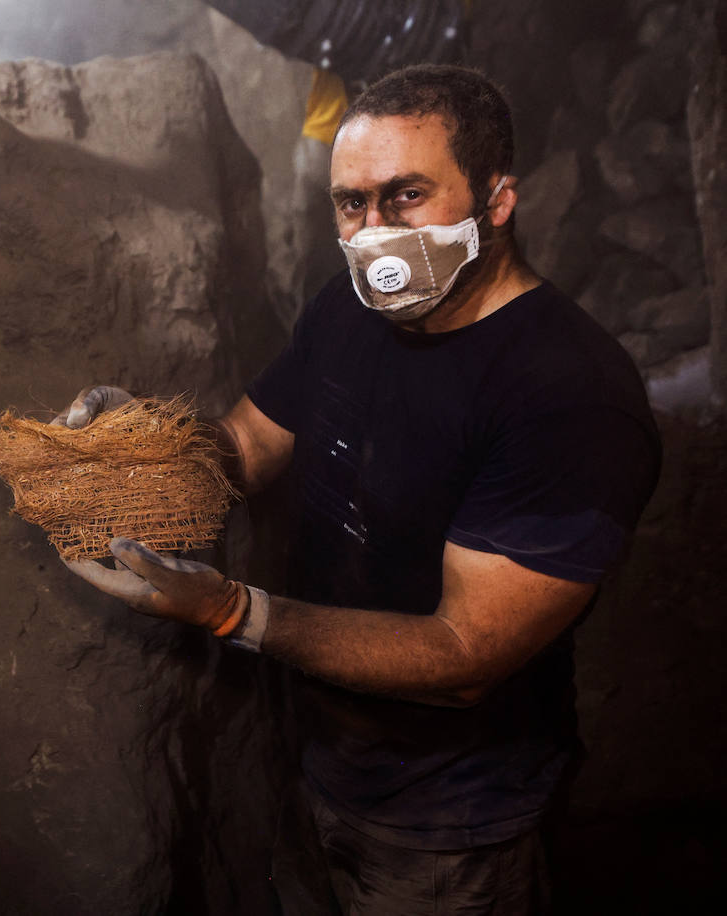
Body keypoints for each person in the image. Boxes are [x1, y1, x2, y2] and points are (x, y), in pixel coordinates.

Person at [59, 64, 660, 914]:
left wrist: (234, 613)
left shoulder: (569, 398)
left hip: (450, 818)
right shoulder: (350, 310)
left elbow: (464, 659)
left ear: (497, 200)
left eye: (405, 195)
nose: (374, 232)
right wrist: (150, 449)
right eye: (352, 204)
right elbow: (245, 446)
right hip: (314, 754)